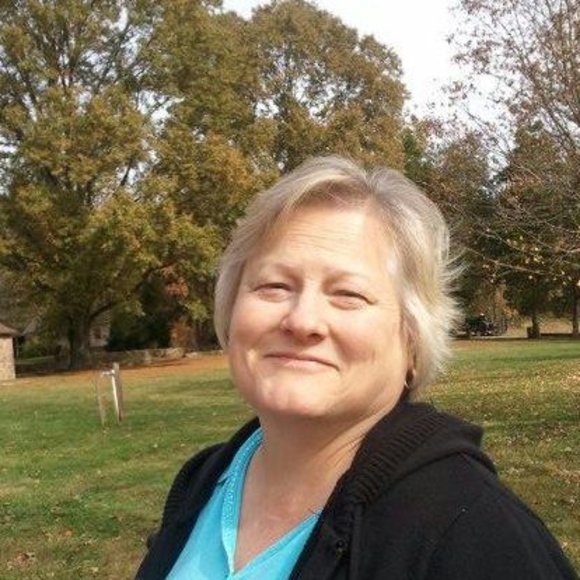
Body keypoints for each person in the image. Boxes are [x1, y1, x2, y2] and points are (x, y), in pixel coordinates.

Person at [135, 156, 578, 579]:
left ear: (411, 338)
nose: (302, 321)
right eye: (274, 285)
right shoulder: (205, 480)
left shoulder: (474, 534)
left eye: (348, 294)